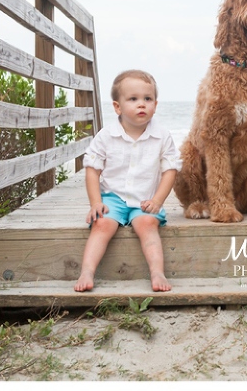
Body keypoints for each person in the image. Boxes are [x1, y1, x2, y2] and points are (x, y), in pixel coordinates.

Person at [74, 69, 180, 292]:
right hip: (112, 197)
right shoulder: (106, 135)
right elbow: (92, 169)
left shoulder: (162, 136)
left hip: (145, 199)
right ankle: (87, 270)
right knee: (102, 224)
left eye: (147, 99)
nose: (141, 104)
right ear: (117, 107)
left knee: (147, 224)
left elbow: (169, 170)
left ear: (156, 104)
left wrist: (158, 201)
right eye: (133, 99)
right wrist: (96, 202)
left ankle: (157, 272)